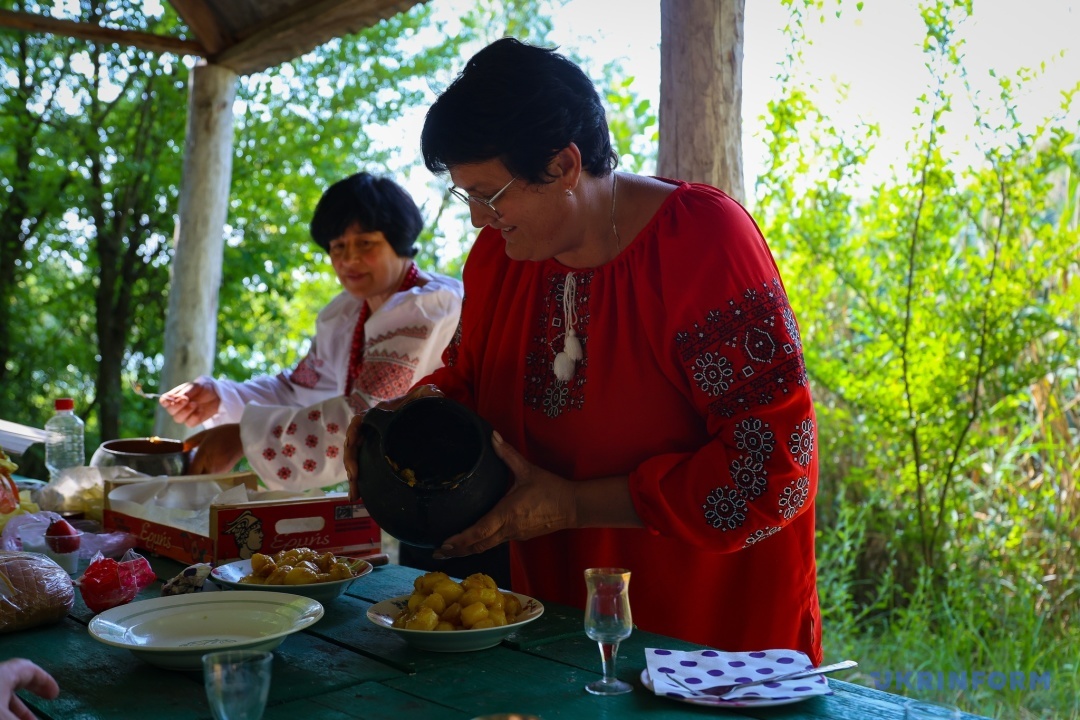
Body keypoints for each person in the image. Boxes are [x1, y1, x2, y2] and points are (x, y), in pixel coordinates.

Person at [345, 38, 822, 663]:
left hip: (712, 643)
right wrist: (399, 422)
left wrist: (573, 504)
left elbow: (774, 470)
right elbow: (472, 380)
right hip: (559, 625)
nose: (478, 221)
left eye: (490, 196)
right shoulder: (501, 258)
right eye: (466, 198)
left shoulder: (700, 243)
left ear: (565, 166)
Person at [159, 172, 463, 491]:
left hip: (448, 484)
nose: (349, 259)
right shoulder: (346, 315)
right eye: (338, 246)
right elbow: (298, 389)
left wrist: (243, 437)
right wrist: (222, 397)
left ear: (399, 241)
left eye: (365, 243)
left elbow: (366, 418)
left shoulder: (427, 309)